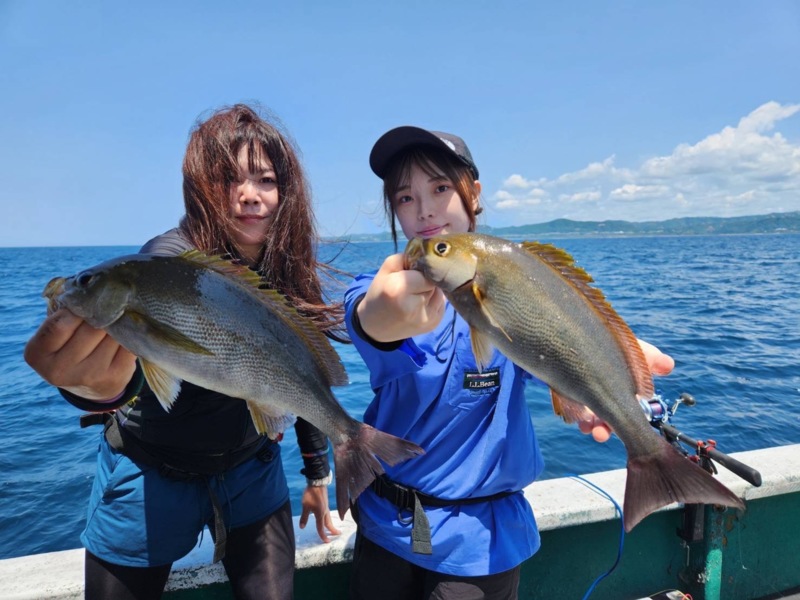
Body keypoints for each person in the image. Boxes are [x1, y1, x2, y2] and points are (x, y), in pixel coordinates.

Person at [24, 104, 345, 600]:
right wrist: (92, 391)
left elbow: (295, 378)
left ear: (287, 192)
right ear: (201, 188)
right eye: (229, 180)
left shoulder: (285, 271)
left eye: (266, 180)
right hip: (150, 470)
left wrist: (318, 473)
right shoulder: (165, 263)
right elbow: (126, 374)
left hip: (252, 471)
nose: (249, 194)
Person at [344, 126, 676, 599]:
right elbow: (368, 317)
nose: (424, 209)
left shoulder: (513, 280)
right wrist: (377, 316)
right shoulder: (379, 287)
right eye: (404, 197)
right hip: (385, 525)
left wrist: (603, 371)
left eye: (440, 188)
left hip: (479, 543)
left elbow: (550, 348)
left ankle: (652, 461)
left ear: (474, 194)